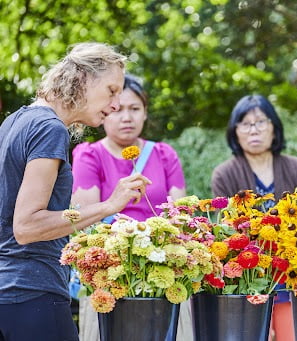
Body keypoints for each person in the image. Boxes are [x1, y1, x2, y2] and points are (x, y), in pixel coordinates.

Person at [0, 42, 151, 341]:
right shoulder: (48, 128)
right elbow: (27, 226)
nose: (116, 104)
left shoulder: (15, 121)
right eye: (111, 90)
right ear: (82, 78)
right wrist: (109, 205)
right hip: (32, 294)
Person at [71, 74, 189, 341]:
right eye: (118, 109)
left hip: (164, 267)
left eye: (135, 109)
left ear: (145, 113)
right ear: (104, 114)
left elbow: (179, 214)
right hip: (113, 270)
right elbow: (88, 220)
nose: (127, 117)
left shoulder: (164, 154)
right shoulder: (89, 155)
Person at [211, 94, 297, 341]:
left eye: (260, 122)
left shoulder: (296, 168)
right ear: (235, 132)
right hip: (249, 279)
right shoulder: (224, 174)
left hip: (291, 276)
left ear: (274, 128)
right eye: (245, 124)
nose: (253, 130)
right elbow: (226, 231)